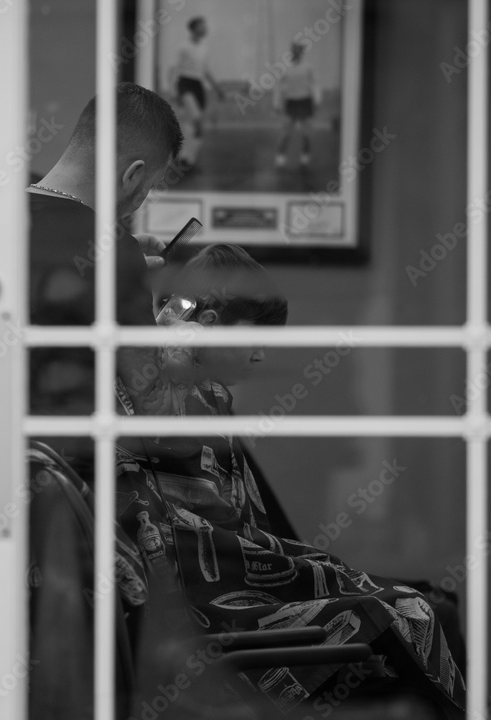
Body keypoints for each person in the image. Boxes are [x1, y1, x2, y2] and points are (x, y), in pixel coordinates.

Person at [116, 244, 465, 719]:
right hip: (209, 603)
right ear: (209, 323)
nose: (262, 355)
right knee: (417, 610)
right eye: (256, 338)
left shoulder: (205, 395)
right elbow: (206, 540)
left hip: (231, 575)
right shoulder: (166, 400)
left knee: (429, 606)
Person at [28, 82, 187, 409]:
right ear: (133, 175)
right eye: (150, 186)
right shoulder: (117, 253)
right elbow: (152, 402)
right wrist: (178, 345)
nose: (142, 200)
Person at [168, 16, 224, 170]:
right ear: (193, 29)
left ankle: (188, 159)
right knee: (197, 119)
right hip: (185, 84)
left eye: (205, 26)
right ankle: (182, 157)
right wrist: (172, 90)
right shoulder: (183, 47)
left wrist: (217, 89)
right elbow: (173, 69)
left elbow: (205, 71)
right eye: (201, 26)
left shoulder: (204, 48)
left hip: (198, 86)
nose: (205, 29)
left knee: (195, 126)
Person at [273, 39, 321, 168]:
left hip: (305, 102)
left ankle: (305, 157)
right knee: (285, 132)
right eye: (294, 49)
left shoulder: (308, 67)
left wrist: (317, 100)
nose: (296, 52)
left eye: (298, 50)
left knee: (307, 134)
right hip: (291, 103)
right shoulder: (286, 68)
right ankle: (280, 157)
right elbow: (279, 87)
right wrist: (276, 103)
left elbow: (314, 84)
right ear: (291, 51)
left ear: (301, 52)